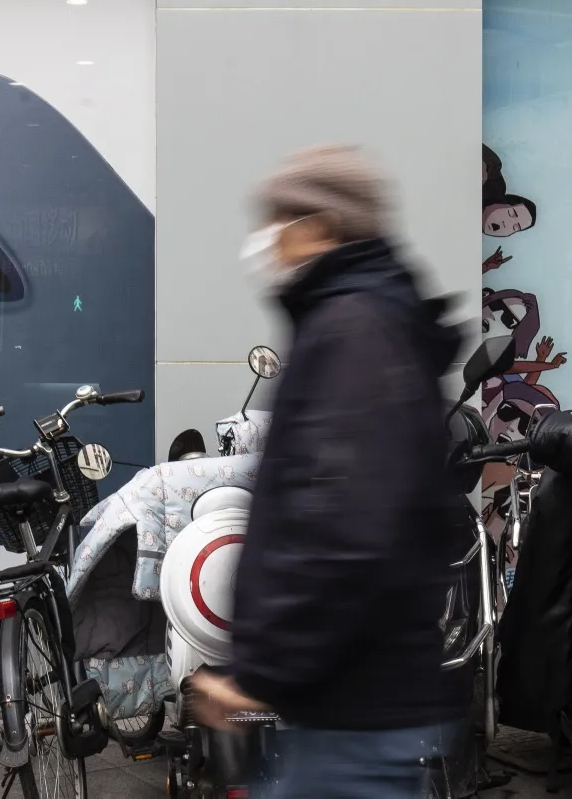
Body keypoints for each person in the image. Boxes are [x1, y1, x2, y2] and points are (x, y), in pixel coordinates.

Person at [188, 144, 464, 798]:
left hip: (355, 710)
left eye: (276, 220)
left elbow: (347, 533)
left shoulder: (353, 331)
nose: (262, 241)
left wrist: (264, 673)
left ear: (320, 225)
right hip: (351, 704)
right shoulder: (358, 321)